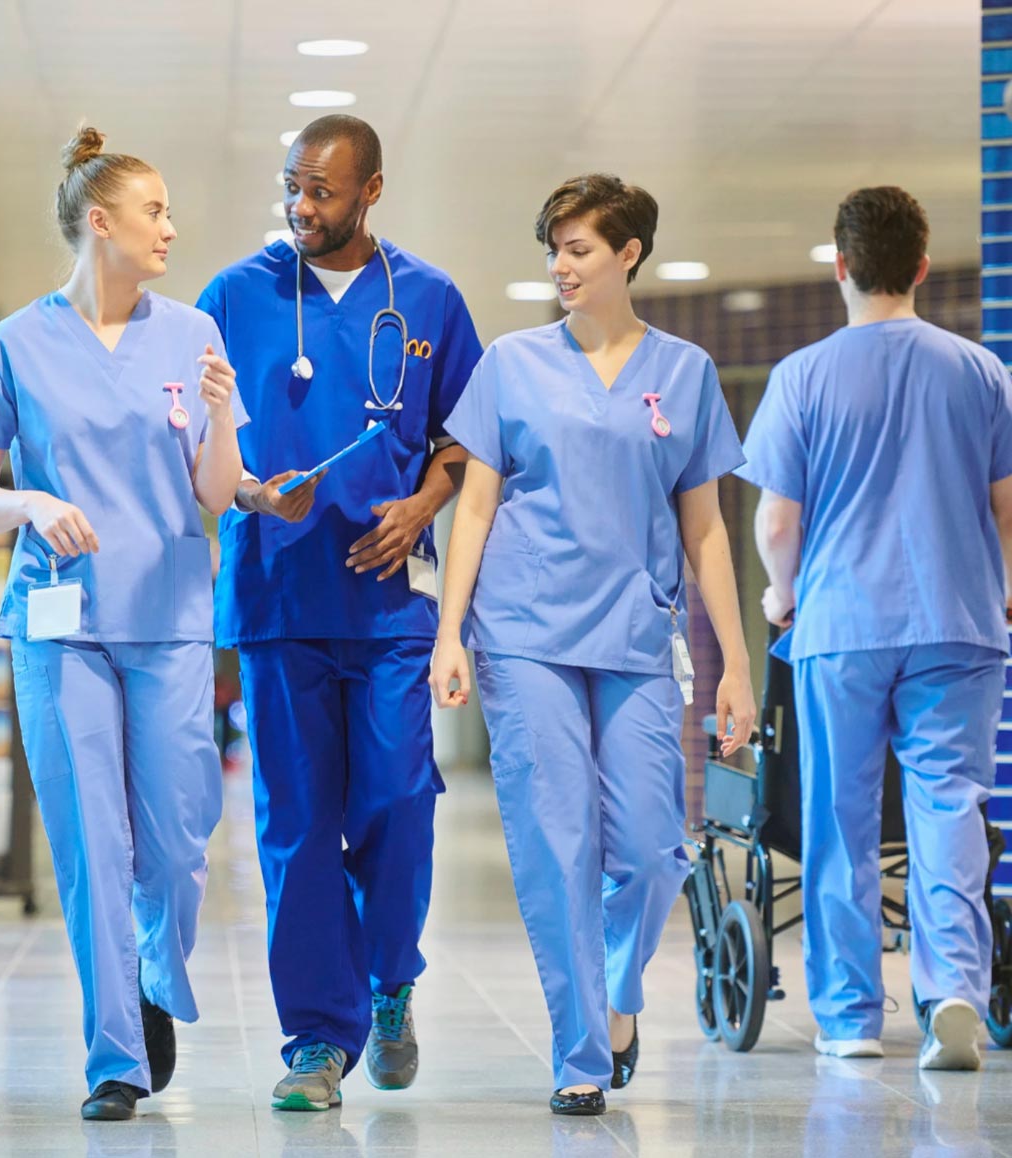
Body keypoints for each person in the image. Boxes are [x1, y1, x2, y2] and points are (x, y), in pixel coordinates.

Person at [430, 174, 756, 1116]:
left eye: (577, 248)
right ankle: (579, 1054)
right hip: (524, 633)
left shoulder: (683, 373)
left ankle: (616, 993)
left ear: (629, 254)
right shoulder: (512, 363)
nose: (560, 266)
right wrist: (451, 633)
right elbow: (478, 504)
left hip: (633, 635)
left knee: (654, 848)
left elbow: (705, 530)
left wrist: (734, 662)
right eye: (553, 249)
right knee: (555, 842)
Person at [0, 126, 246, 1121]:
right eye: (155, 210)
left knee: (171, 847)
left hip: (166, 624)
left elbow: (215, 490)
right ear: (100, 222)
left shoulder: (192, 333)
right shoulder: (13, 345)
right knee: (89, 844)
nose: (171, 226)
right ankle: (116, 1055)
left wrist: (227, 416)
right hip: (57, 626)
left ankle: (156, 969)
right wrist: (29, 505)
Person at [196, 114, 482, 1112]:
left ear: (371, 192)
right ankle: (317, 1041)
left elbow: (465, 441)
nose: (300, 209)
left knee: (400, 799)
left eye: (321, 191)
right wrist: (248, 494)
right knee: (297, 826)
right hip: (277, 599)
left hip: (390, 605)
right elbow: (195, 449)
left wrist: (422, 504)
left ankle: (390, 977)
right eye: (291, 187)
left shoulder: (431, 301)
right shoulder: (231, 299)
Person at [739, 186, 1012, 1071]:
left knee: (840, 819)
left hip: (841, 625)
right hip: (958, 622)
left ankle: (851, 1018)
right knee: (947, 808)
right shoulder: (982, 372)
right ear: (922, 268)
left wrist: (783, 595)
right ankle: (955, 992)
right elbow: (1008, 509)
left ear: (840, 265)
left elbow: (777, 524)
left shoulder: (804, 376)